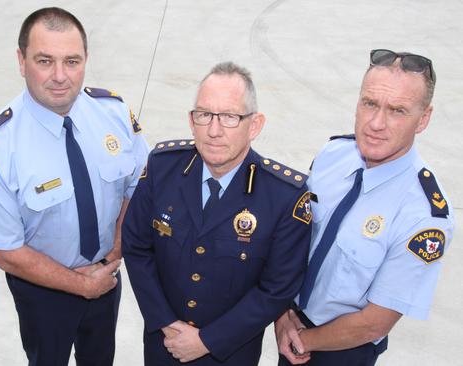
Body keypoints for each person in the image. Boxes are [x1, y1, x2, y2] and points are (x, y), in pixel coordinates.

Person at [0, 7, 148, 366]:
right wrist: (80, 284)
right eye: (45, 61)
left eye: (72, 61)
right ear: (21, 61)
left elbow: (138, 189)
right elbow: (5, 250)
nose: (60, 76)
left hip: (106, 275)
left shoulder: (113, 112)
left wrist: (111, 258)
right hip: (42, 294)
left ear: (86, 60)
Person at [122, 61, 312, 365]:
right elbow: (136, 245)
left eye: (229, 117)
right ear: (191, 120)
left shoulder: (284, 197)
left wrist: (207, 341)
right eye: (204, 115)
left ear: (255, 125)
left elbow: (276, 289)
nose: (213, 130)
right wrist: (165, 323)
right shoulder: (163, 167)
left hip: (230, 353)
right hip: (164, 346)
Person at [275, 49, 455, 366]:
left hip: (345, 351)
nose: (376, 123)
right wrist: (283, 315)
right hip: (289, 325)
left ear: (423, 119)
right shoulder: (333, 154)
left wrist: (301, 341)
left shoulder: (424, 217)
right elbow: (294, 238)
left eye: (397, 110)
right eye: (369, 103)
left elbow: (376, 321)